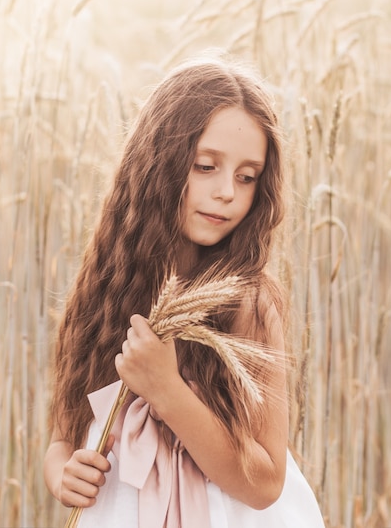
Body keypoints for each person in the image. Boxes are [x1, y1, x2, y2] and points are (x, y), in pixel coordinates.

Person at [44, 54, 326, 527]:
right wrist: (62, 474)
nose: (227, 193)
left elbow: (266, 484)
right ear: (159, 164)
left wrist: (167, 390)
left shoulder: (249, 304)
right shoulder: (105, 289)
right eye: (205, 166)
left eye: (246, 176)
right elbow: (63, 435)